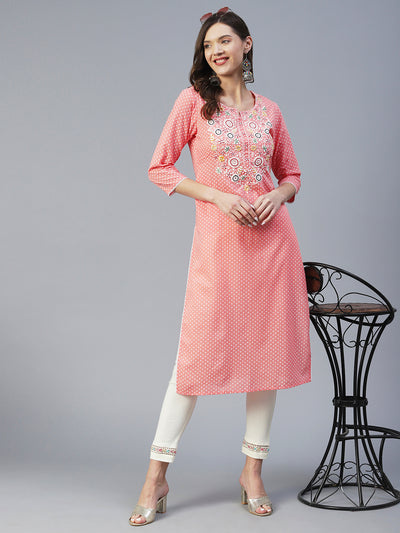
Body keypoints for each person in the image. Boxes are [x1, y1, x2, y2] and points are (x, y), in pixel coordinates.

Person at [129, 7, 311, 526]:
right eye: (208, 45)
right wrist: (215, 195)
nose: (215, 51)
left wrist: (278, 194)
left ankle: (252, 471)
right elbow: (159, 167)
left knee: (267, 357)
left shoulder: (270, 111)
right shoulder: (193, 103)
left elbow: (293, 174)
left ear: (246, 44)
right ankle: (156, 476)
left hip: (273, 247)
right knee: (193, 360)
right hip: (219, 247)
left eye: (225, 41)